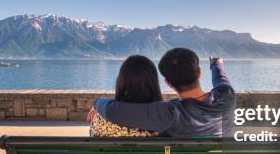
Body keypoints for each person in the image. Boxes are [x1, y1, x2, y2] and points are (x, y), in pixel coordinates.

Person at [88, 47, 236, 139]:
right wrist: (216, 64)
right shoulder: (227, 96)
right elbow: (221, 79)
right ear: (199, 72)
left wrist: (97, 102)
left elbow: (112, 111)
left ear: (168, 83)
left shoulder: (169, 113)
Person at [88, 55, 163, 154]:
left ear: (121, 81)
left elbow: (95, 148)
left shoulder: (101, 119)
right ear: (154, 83)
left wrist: (99, 103)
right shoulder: (164, 116)